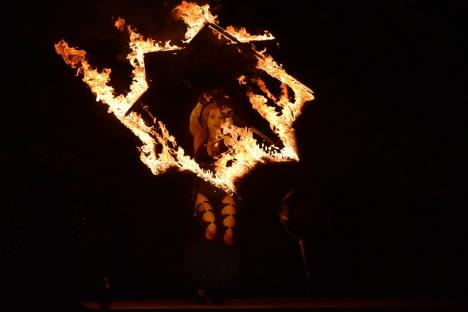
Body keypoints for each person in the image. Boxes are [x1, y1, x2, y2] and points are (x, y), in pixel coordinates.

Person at [182, 90, 240, 304]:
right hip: (204, 191)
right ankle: (202, 286)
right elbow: (192, 118)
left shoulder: (231, 138)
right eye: (211, 116)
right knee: (210, 231)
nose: (215, 120)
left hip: (224, 190)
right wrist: (200, 103)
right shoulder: (199, 135)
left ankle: (219, 286)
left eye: (219, 116)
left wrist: (228, 110)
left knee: (228, 235)